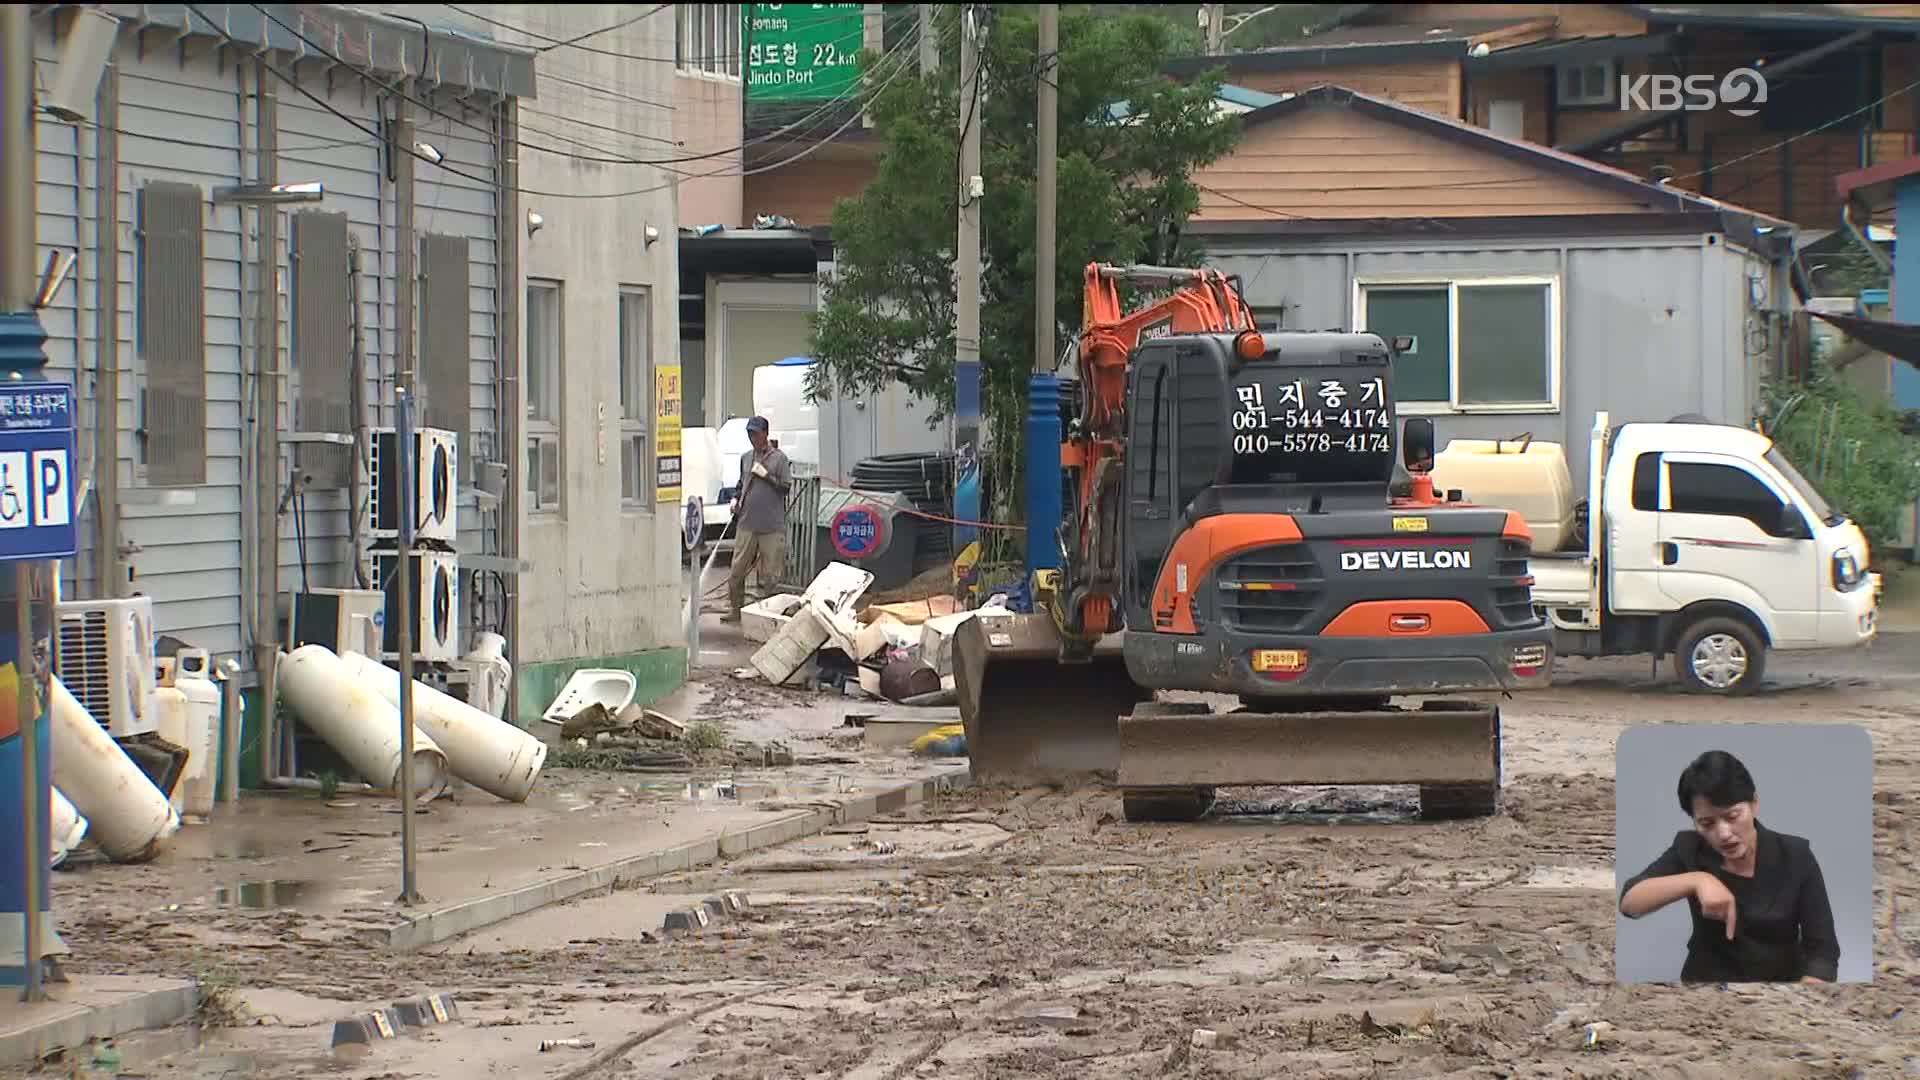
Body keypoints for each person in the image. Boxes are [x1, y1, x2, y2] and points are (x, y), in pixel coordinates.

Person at [1618, 749, 1839, 983]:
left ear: (1754, 804)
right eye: (1706, 823)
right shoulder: (1691, 848)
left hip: (1781, 988)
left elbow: (1822, 951)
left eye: (1732, 816)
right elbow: (1630, 903)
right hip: (1707, 987)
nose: (1723, 833)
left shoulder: (1795, 855)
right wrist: (1698, 880)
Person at [723, 416, 792, 624]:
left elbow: (786, 487)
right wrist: (735, 498)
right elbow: (741, 483)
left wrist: (767, 477)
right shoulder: (746, 457)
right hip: (747, 523)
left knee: (771, 575)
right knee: (737, 570)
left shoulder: (779, 459)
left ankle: (768, 615)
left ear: (765, 433)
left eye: (755, 433)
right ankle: (736, 609)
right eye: (749, 433)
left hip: (771, 526)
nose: (752, 437)